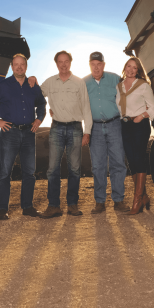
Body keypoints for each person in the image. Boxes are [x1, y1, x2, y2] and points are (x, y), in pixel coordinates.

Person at [0, 53, 46, 220]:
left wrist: (39, 119)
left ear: (26, 66)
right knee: (4, 173)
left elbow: (42, 104)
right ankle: (3, 209)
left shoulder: (33, 86)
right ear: (11, 67)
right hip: (10, 133)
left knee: (29, 173)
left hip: (29, 133)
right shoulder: (3, 86)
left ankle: (27, 207)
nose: (19, 67)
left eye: (22, 64)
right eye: (15, 64)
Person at [38, 50, 92, 218]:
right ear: (56, 64)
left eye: (66, 61)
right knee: (52, 169)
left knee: (74, 169)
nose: (63, 64)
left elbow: (86, 108)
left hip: (76, 128)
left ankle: (72, 205)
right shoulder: (49, 83)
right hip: (56, 129)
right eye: (60, 61)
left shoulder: (78, 83)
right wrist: (31, 81)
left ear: (70, 62)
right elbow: (36, 96)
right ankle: (54, 206)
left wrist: (87, 132)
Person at [83, 52, 130, 214]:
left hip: (115, 125)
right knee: (98, 166)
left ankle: (119, 200)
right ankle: (100, 202)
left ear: (103, 65)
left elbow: (130, 93)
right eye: (93, 64)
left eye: (99, 64)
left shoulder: (115, 79)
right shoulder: (83, 83)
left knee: (118, 163)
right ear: (90, 65)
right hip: (94, 128)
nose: (96, 67)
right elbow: (74, 101)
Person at [116, 56, 154, 214]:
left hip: (140, 125)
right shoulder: (119, 87)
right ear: (125, 67)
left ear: (138, 70)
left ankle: (137, 200)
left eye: (134, 68)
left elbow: (153, 108)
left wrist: (142, 116)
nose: (131, 70)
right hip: (124, 125)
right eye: (128, 66)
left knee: (139, 158)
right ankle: (144, 196)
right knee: (131, 161)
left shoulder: (143, 86)